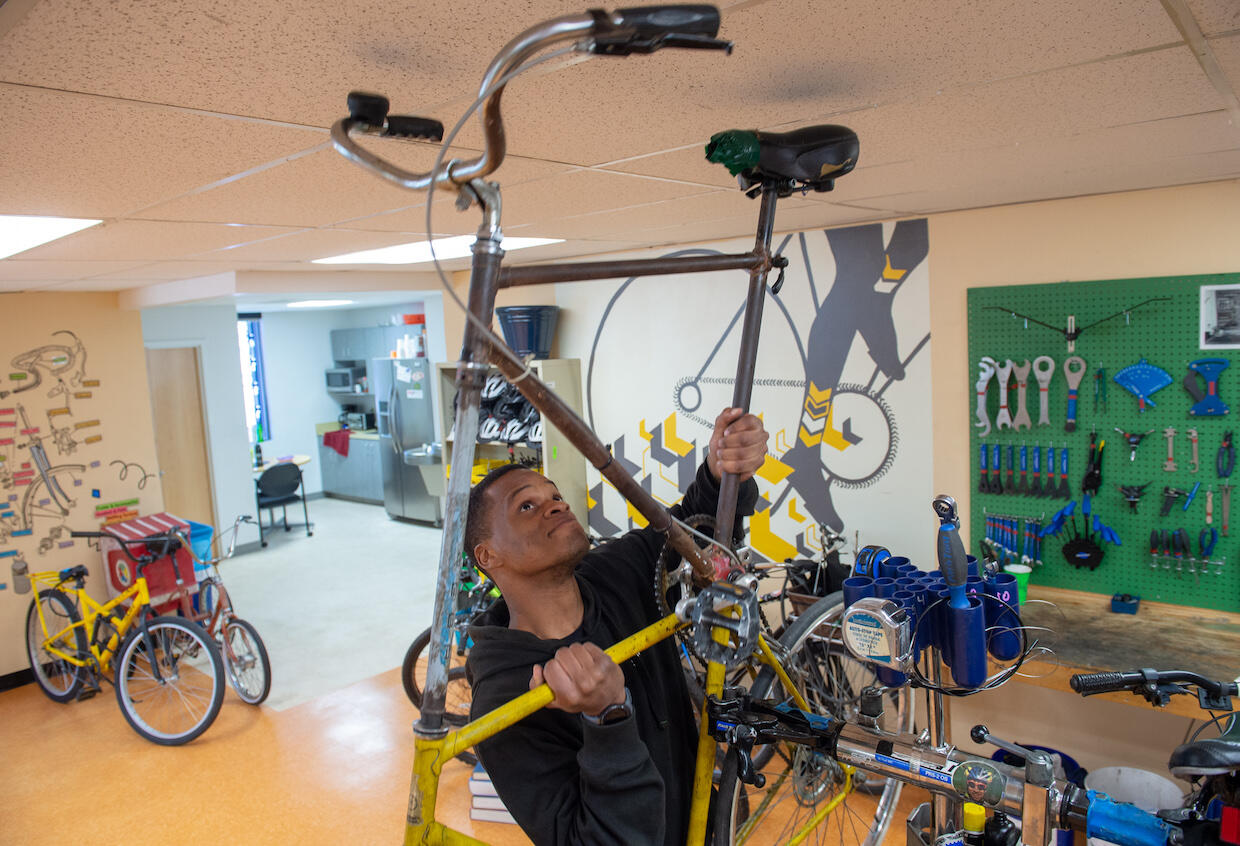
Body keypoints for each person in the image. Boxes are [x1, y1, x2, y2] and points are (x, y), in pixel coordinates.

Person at [464, 407, 769, 846]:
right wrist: (608, 717)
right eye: (526, 506)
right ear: (488, 556)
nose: (555, 505)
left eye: (554, 495)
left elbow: (690, 533)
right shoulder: (506, 702)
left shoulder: (614, 571)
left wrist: (721, 474)